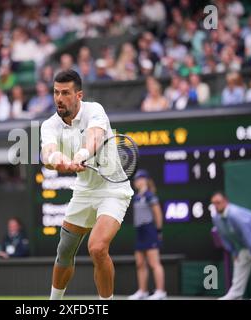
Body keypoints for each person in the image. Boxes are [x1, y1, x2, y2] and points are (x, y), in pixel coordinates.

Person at [41, 70, 134, 300]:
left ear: (79, 95)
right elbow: (47, 153)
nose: (59, 98)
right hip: (84, 190)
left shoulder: (95, 110)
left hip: (113, 189)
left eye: (65, 93)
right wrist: (58, 161)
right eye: (55, 92)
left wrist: (81, 154)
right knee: (64, 250)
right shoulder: (49, 125)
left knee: (97, 248)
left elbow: (94, 136)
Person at [211, 191, 251, 300]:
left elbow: (246, 232)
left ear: (225, 202)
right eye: (213, 203)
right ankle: (236, 294)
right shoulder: (216, 218)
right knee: (239, 261)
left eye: (218, 202)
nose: (216, 206)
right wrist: (234, 251)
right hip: (249, 240)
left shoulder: (234, 214)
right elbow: (224, 235)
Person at [128, 170, 167, 300]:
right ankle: (143, 291)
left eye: (139, 179)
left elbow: (158, 214)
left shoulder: (150, 196)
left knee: (154, 263)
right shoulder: (136, 197)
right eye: (136, 180)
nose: (136, 182)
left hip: (150, 230)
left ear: (144, 180)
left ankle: (161, 291)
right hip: (139, 231)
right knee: (140, 263)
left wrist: (158, 231)